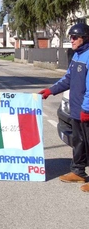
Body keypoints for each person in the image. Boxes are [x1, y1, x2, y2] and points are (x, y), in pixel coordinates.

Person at [39, 23, 89, 192]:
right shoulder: (76, 56)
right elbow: (67, 79)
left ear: (85, 38)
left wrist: (87, 109)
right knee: (79, 142)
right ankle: (78, 172)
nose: (72, 40)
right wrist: (50, 91)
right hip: (76, 110)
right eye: (71, 37)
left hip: (85, 111)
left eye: (75, 37)